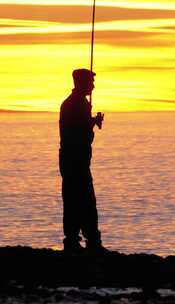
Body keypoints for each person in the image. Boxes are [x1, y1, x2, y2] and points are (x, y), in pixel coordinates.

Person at [59, 68, 106, 254]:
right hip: (74, 160)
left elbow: (81, 130)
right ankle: (83, 241)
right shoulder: (74, 104)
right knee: (80, 199)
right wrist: (91, 122)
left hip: (76, 159)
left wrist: (92, 121)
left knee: (80, 198)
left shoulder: (78, 104)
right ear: (81, 83)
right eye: (90, 82)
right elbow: (77, 131)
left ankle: (83, 240)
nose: (93, 86)